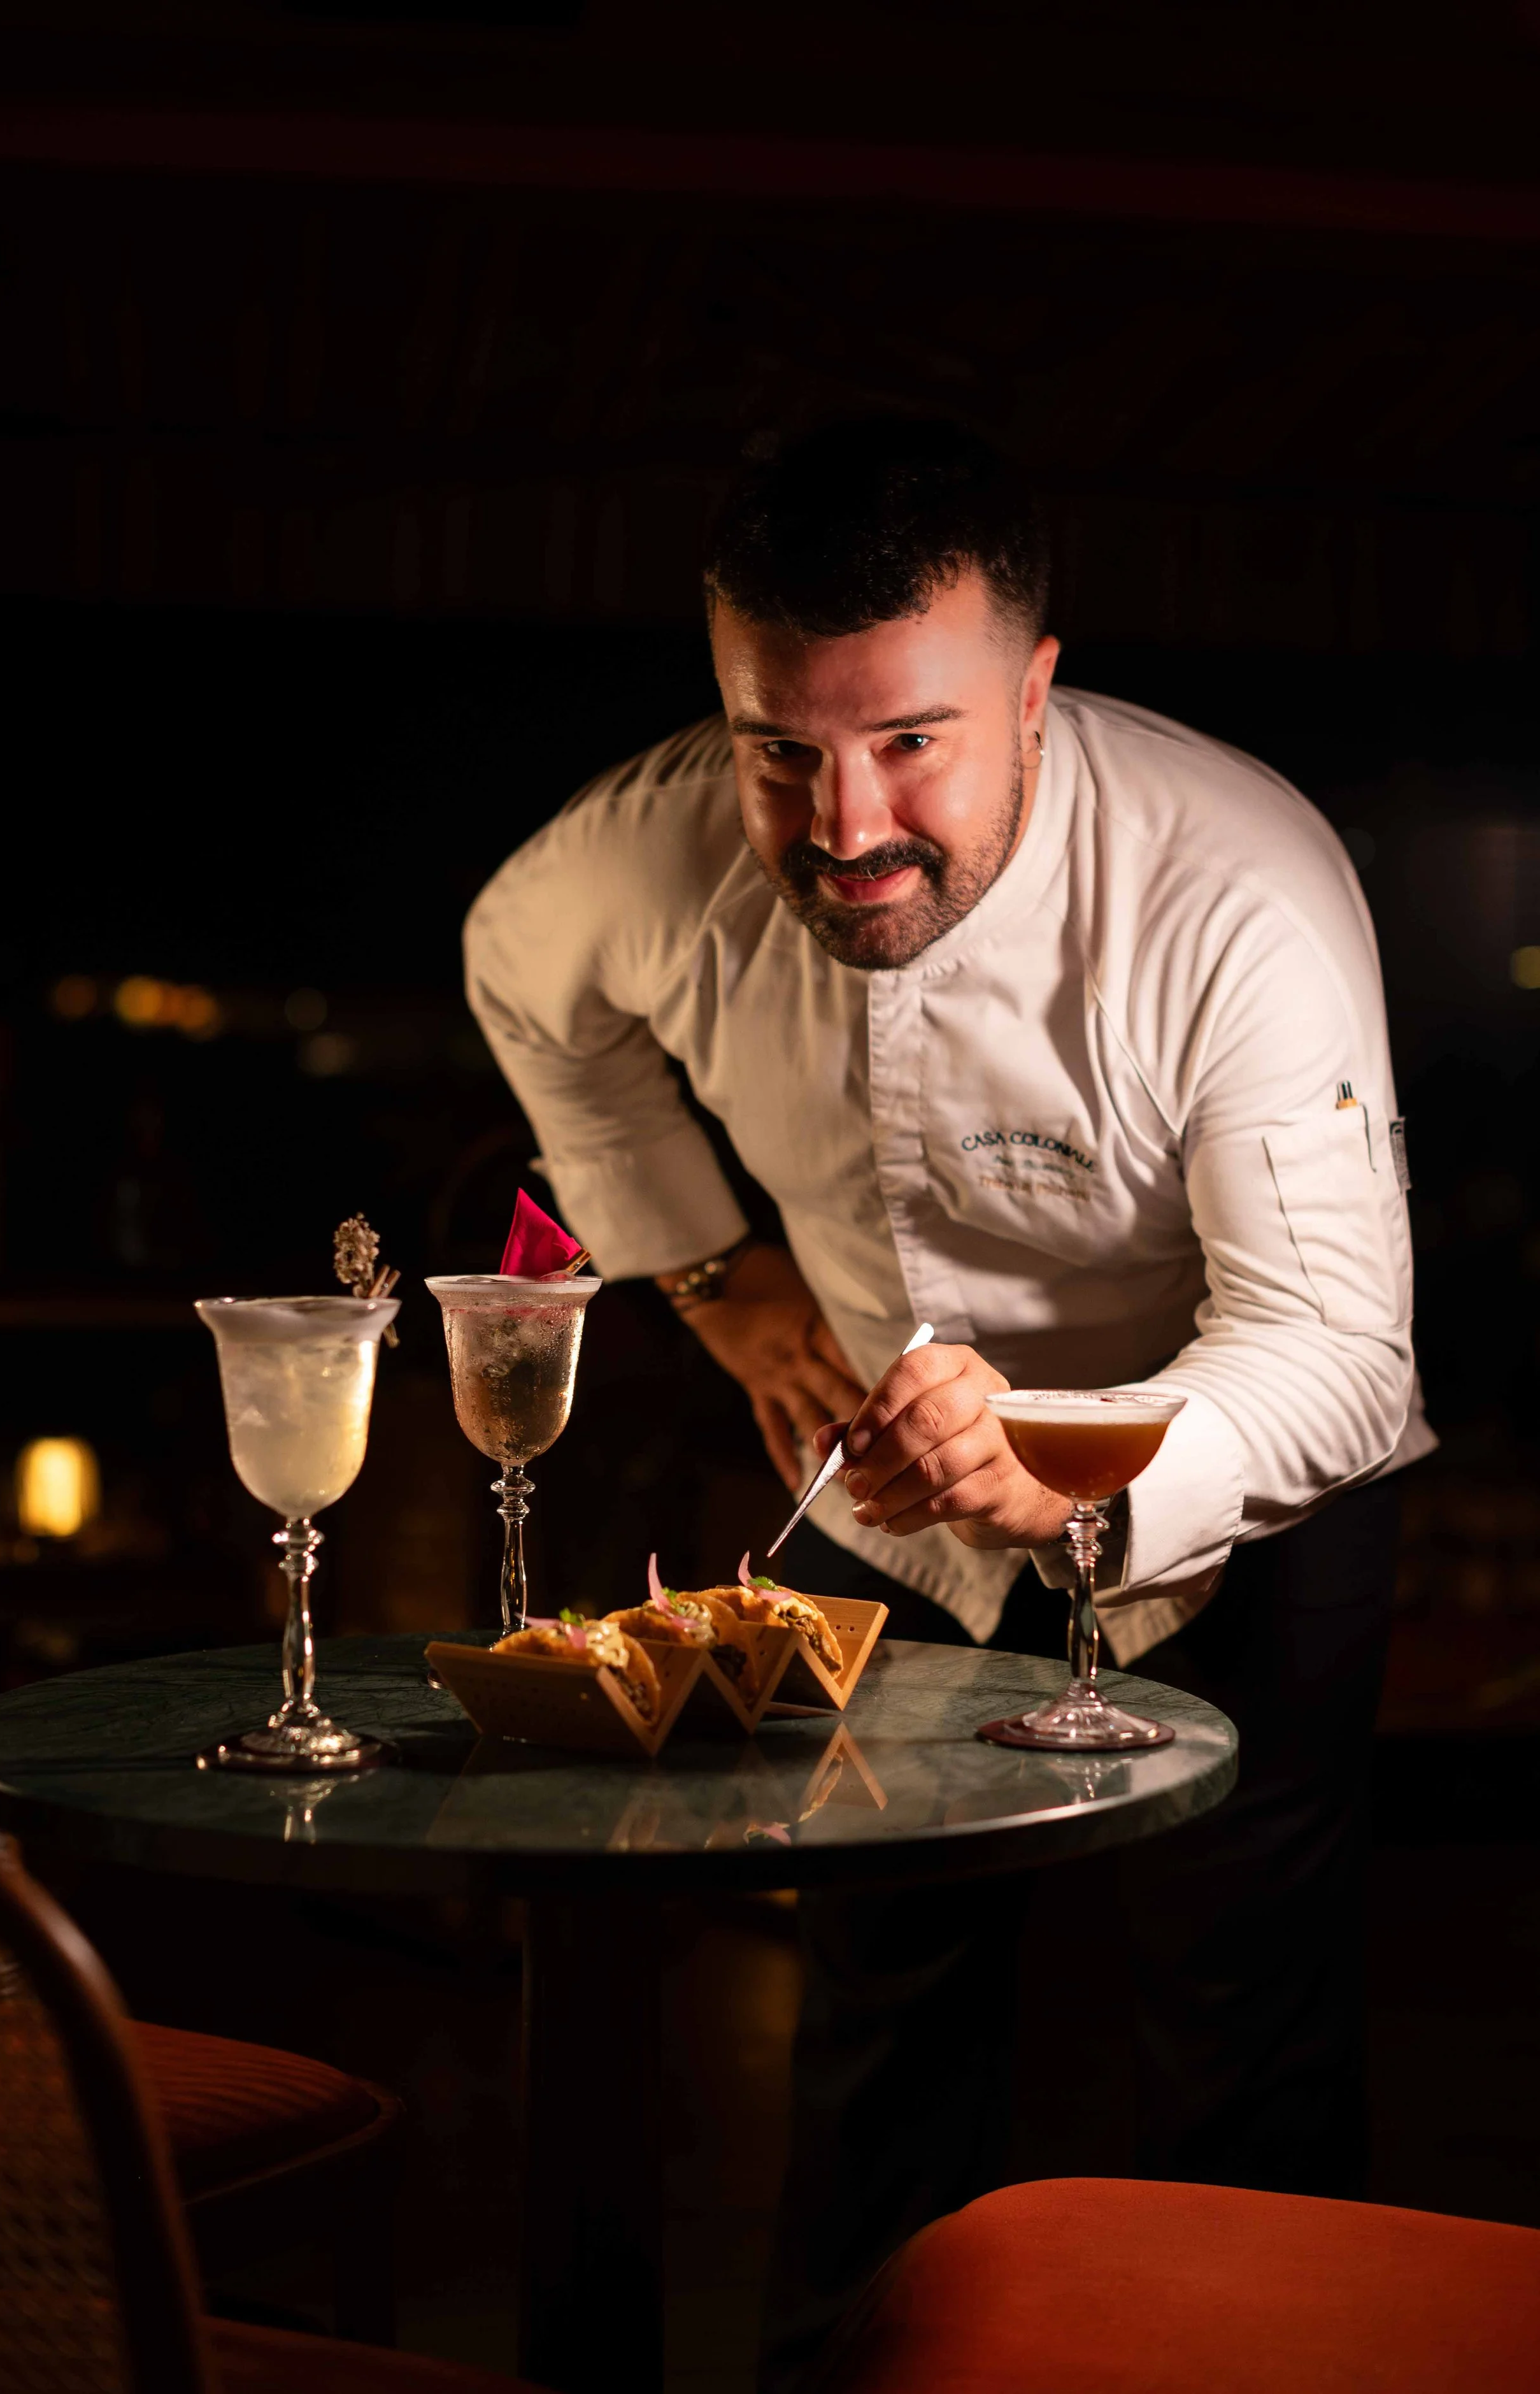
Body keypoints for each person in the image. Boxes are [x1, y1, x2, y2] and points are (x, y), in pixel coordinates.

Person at [462, 417, 1432, 2385]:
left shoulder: (1233, 887)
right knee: (873, 2021)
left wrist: (1063, 1461)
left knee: (1237, 2037)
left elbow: (1341, 1355)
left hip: (1219, 1482)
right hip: (876, 1486)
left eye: (910, 740)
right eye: (778, 749)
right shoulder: (627, 862)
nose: (843, 826)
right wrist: (717, 1282)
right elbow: (518, 972)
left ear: (1036, 692)